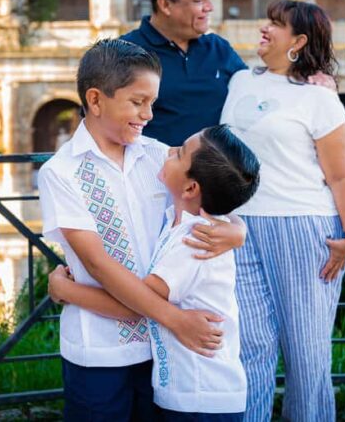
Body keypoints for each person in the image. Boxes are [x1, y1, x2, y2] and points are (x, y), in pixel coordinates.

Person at [38, 39, 246, 421]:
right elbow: (98, 266)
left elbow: (208, 196)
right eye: (138, 102)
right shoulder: (60, 173)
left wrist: (238, 229)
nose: (149, 114)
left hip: (163, 353)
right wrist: (176, 319)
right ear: (96, 100)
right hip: (100, 351)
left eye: (152, 102)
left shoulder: (158, 155)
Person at [50, 124, 261, 421]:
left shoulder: (192, 242)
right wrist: (239, 229)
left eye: (180, 153)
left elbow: (134, 303)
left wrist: (65, 291)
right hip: (191, 391)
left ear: (191, 188)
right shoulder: (181, 224)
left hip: (200, 395)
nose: (170, 150)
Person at [220, 0, 345, 422]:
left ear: (298, 41)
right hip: (239, 227)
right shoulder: (241, 82)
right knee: (250, 345)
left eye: (276, 24)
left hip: (303, 227)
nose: (265, 28)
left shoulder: (320, 100)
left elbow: (341, 177)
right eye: (268, 20)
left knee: (306, 353)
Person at [122, 0, 337, 148]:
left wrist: (314, 80)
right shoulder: (125, 53)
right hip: (154, 185)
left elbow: (261, 89)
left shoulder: (219, 49)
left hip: (217, 186)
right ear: (166, 5)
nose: (210, 7)